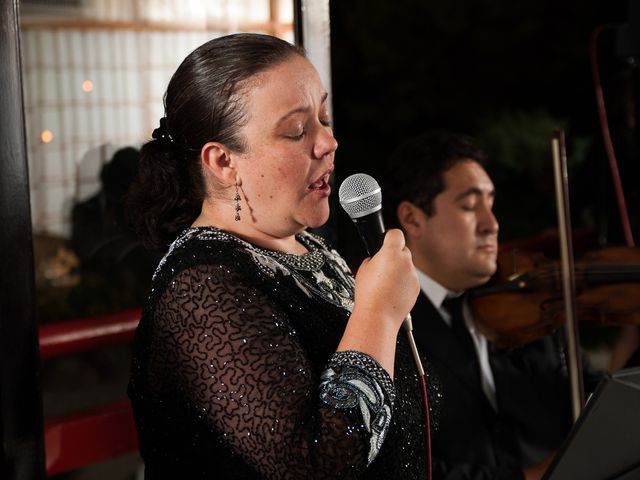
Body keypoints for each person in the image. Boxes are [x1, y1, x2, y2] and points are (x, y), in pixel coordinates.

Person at [127, 33, 441, 480]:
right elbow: (318, 463)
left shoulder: (313, 249)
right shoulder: (201, 290)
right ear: (221, 161)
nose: (327, 142)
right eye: (297, 130)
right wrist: (379, 313)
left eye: (325, 118)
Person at [381, 130, 601, 480]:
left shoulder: (532, 312)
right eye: (470, 206)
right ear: (412, 219)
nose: (492, 224)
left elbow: (604, 408)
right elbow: (401, 469)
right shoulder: (385, 329)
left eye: (491, 203)